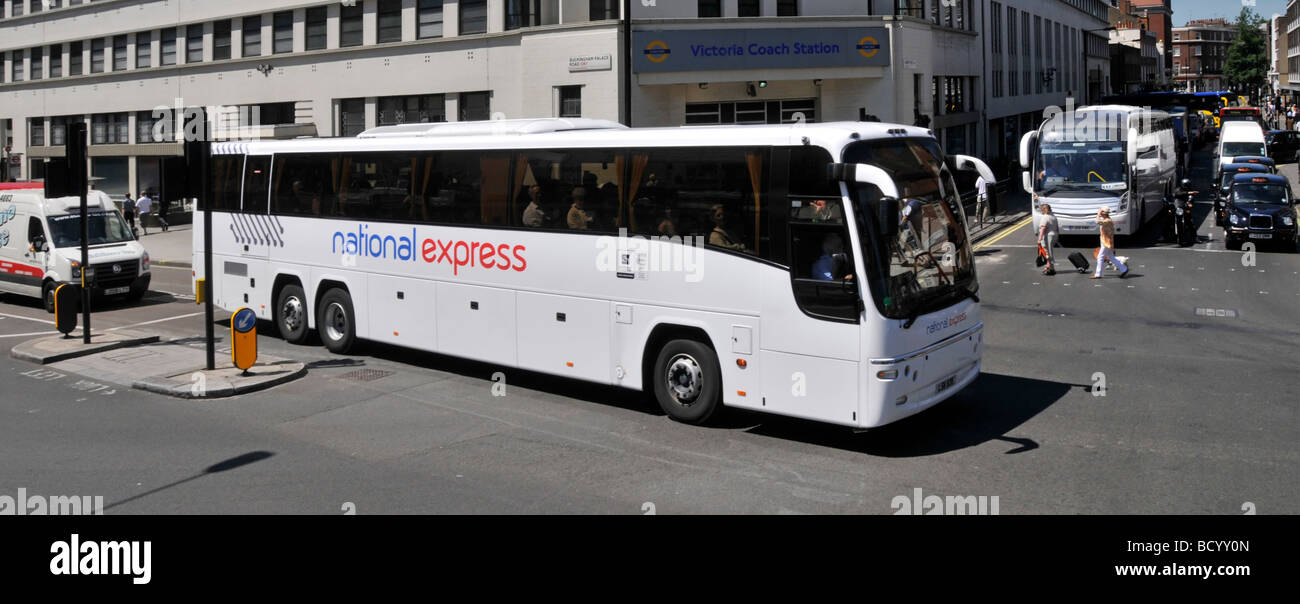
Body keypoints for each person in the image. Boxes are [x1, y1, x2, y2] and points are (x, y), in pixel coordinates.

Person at [1091, 206, 1128, 279]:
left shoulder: (1107, 220)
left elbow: (1097, 221)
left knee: (1100, 257)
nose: (1100, 213)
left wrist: (1098, 214)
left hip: (1106, 242)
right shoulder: (1106, 220)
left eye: (1101, 212)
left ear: (1104, 213)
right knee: (1111, 257)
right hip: (1105, 241)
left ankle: (1098, 274)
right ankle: (1124, 269)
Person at [1037, 204, 1059, 275]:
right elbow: (1057, 228)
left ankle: (1049, 268)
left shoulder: (1045, 217)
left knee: (1047, 252)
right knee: (1049, 251)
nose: (1041, 211)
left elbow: (1043, 228)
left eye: (1041, 210)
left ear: (1044, 209)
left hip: (1047, 236)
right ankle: (1050, 267)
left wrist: (1039, 239)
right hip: (1054, 235)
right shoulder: (1053, 216)